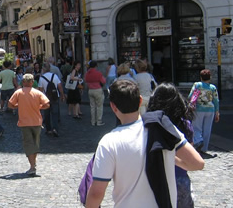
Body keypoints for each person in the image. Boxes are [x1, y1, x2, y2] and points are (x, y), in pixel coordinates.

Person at [86, 80, 204, 208]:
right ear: (140, 101)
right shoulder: (163, 127)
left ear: (113, 107)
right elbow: (197, 163)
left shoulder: (108, 142)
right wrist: (170, 158)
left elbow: (97, 192)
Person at [148, 83, 196, 208]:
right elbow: (191, 158)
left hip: (156, 178)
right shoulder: (185, 125)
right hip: (179, 178)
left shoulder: (150, 125)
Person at [8, 74, 50, 176]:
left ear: (23, 82)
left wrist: (19, 106)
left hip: (25, 122)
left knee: (28, 144)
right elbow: (47, 104)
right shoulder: (37, 93)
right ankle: (33, 164)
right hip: (37, 122)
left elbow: (10, 105)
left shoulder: (18, 92)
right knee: (35, 144)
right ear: (32, 82)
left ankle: (32, 167)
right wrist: (38, 107)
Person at [188, 69, 219, 156]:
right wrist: (217, 112)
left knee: (196, 127)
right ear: (210, 78)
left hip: (199, 109)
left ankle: (198, 140)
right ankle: (204, 148)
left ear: (201, 77)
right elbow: (216, 100)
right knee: (207, 129)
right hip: (210, 109)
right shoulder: (213, 87)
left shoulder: (197, 85)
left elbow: (191, 96)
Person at [38, 62, 65, 136]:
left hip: (45, 98)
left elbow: (40, 89)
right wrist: (62, 95)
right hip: (55, 97)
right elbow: (59, 86)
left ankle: (48, 129)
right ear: (49, 69)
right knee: (55, 113)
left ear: (43, 69)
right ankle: (55, 128)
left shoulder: (41, 78)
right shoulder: (55, 76)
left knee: (47, 114)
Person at [84, 60, 107, 126]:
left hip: (90, 90)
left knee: (92, 106)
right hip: (98, 89)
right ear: (96, 66)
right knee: (99, 106)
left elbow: (85, 80)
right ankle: (99, 121)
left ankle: (93, 121)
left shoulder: (87, 73)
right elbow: (103, 81)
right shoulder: (98, 73)